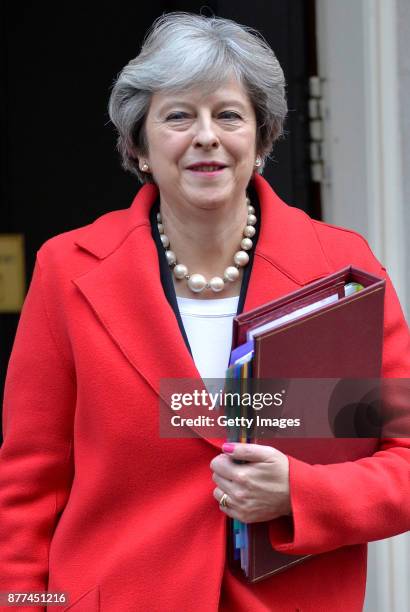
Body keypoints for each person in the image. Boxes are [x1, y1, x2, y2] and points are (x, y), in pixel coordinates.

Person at [0, 11, 409, 612]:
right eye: (177, 116)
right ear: (138, 146)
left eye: (228, 114)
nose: (206, 136)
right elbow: (27, 484)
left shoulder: (341, 268)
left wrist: (304, 492)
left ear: (261, 139)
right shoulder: (69, 269)